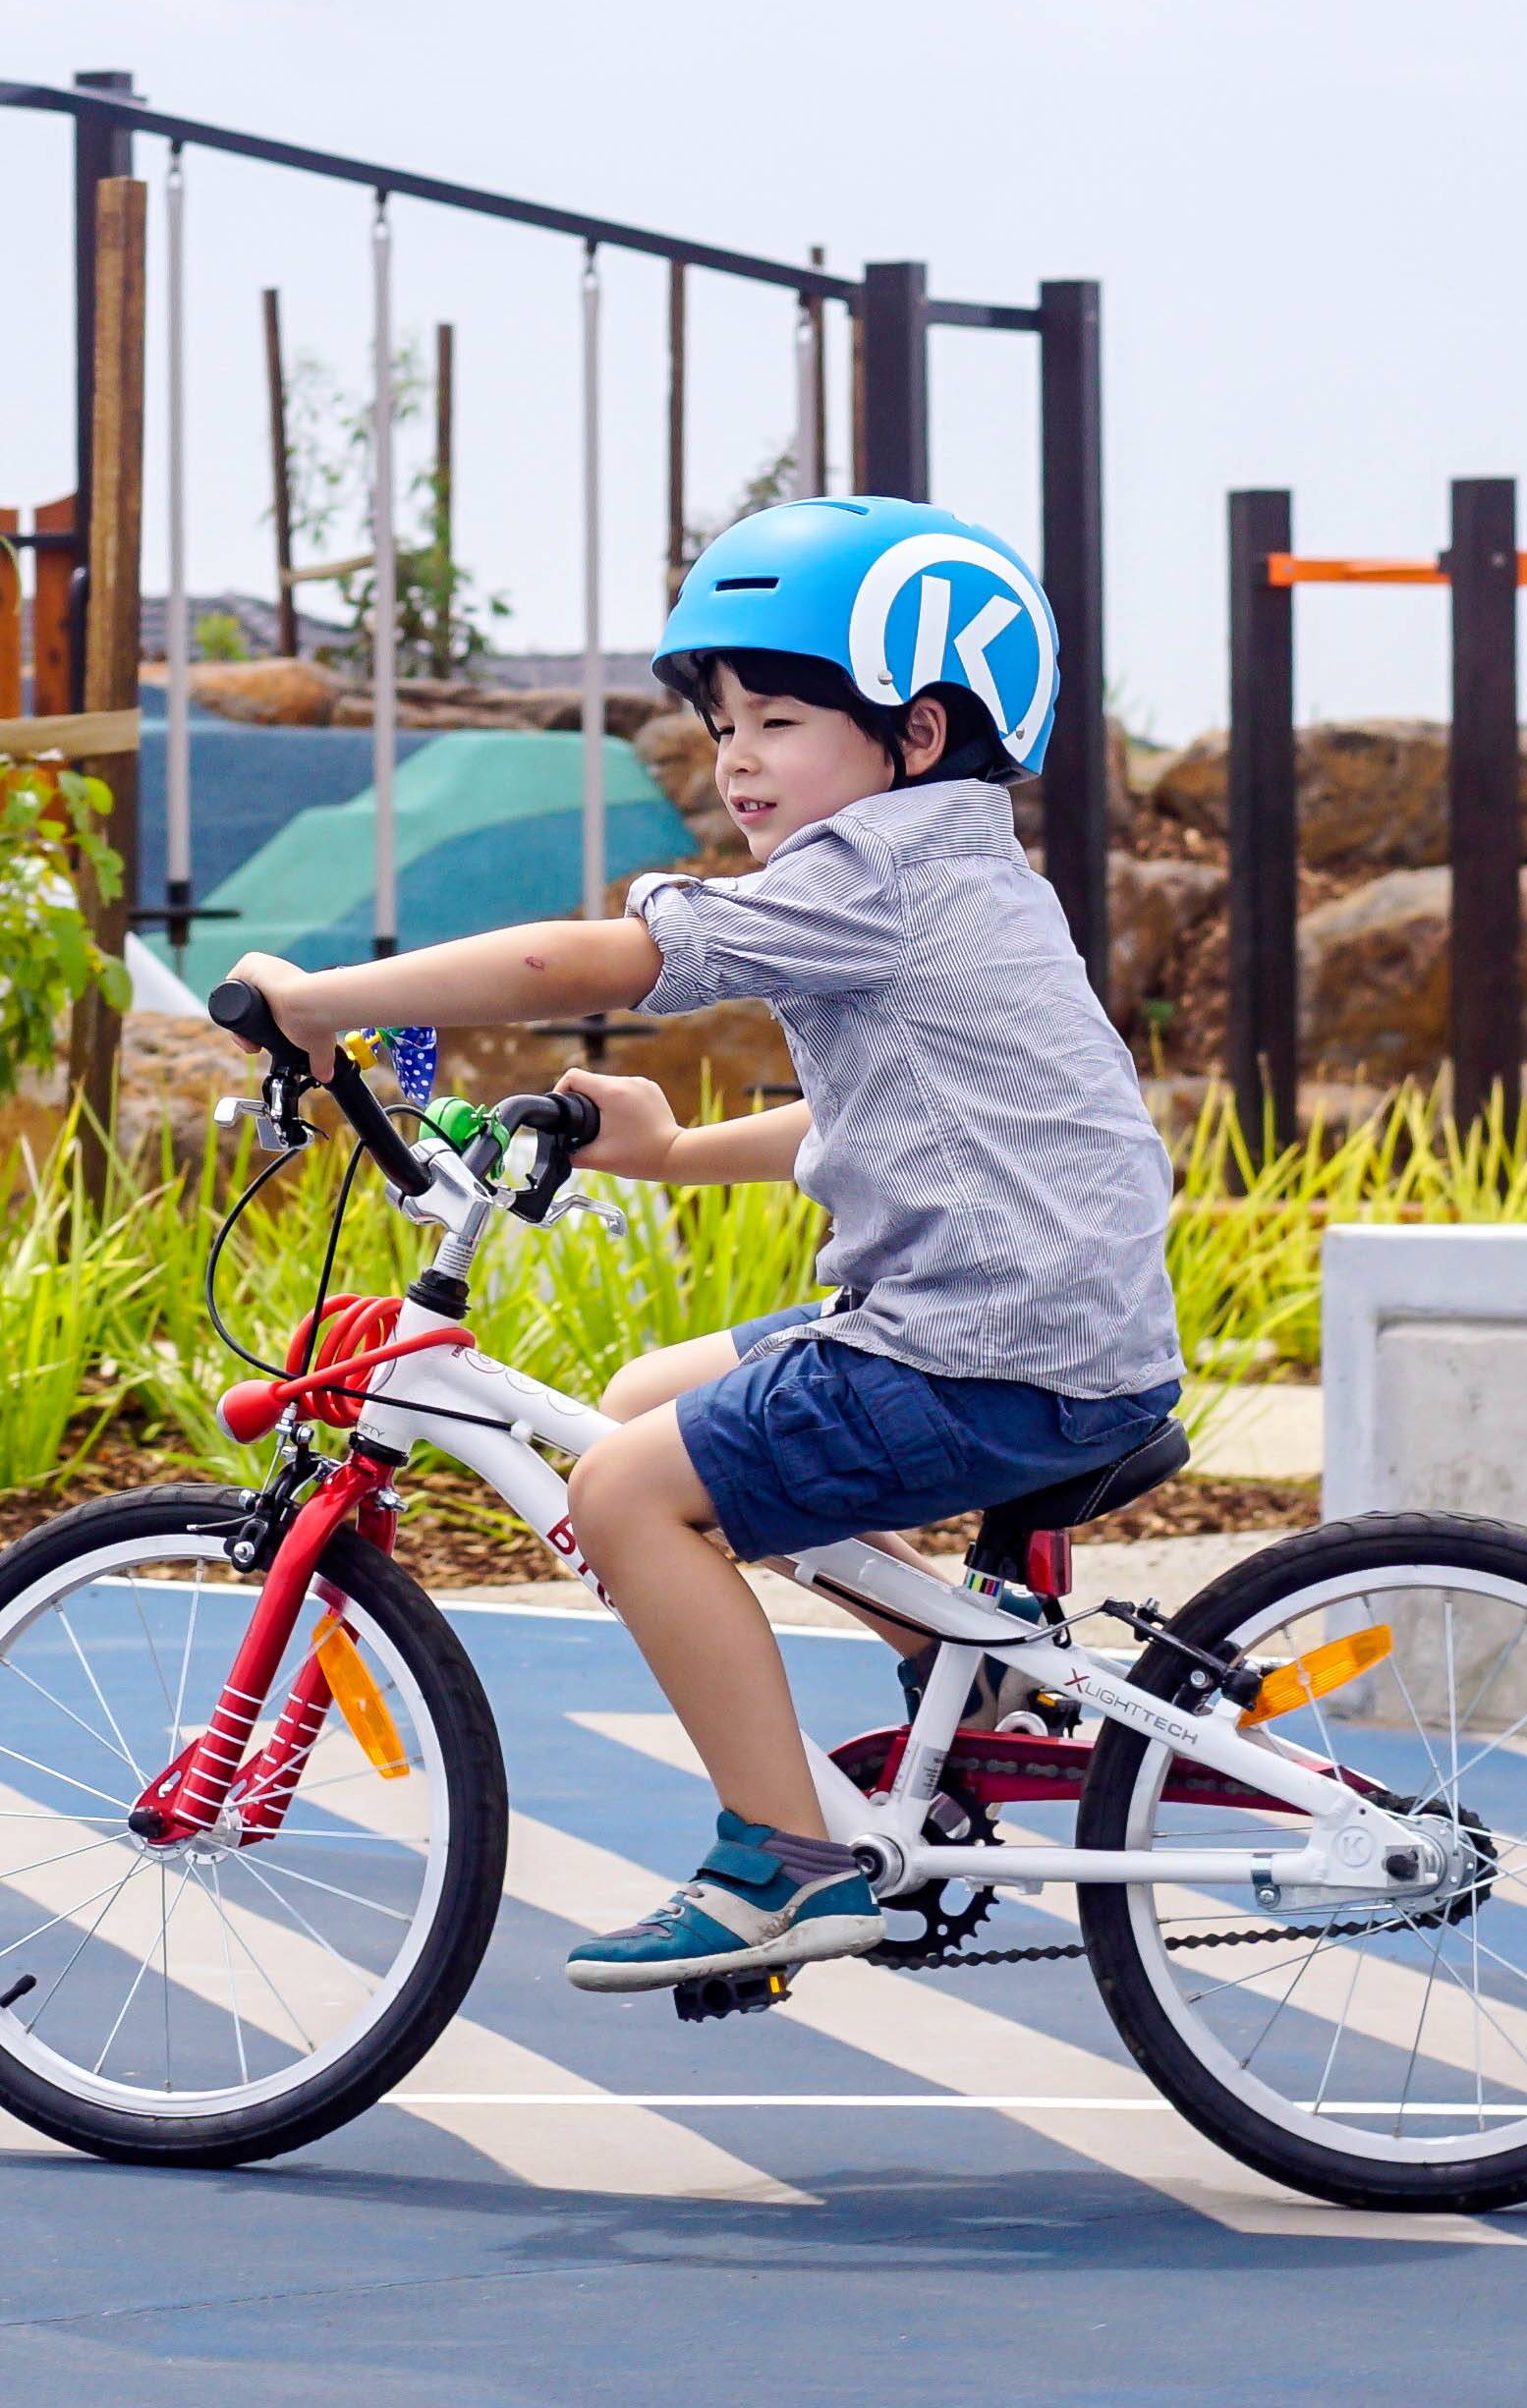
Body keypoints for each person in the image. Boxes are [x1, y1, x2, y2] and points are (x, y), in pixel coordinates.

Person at [221, 494, 1180, 1989]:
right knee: (640, 1406)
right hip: (1033, 1335)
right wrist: (667, 1154)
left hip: (981, 1355)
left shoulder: (869, 876)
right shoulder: (959, 875)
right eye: (723, 724)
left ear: (917, 736)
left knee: (620, 1498)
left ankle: (781, 1867)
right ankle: (956, 1654)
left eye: (780, 719)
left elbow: (595, 959)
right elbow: (894, 1125)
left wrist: (325, 1002)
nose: (736, 758)